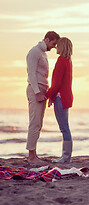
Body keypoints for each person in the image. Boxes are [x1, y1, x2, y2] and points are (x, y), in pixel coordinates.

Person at [26, 31, 60, 162]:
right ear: (46, 39)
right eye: (53, 43)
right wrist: (37, 92)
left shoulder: (43, 53)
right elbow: (31, 74)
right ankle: (31, 156)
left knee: (38, 123)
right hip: (36, 90)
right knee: (34, 123)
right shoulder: (34, 52)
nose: (54, 47)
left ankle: (33, 154)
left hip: (42, 90)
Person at [45, 37, 74, 163]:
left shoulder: (61, 61)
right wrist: (51, 97)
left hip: (61, 98)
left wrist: (46, 96)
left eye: (58, 45)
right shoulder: (68, 61)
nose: (56, 47)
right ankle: (66, 156)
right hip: (63, 97)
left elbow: (56, 83)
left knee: (64, 128)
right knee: (65, 127)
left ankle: (66, 157)